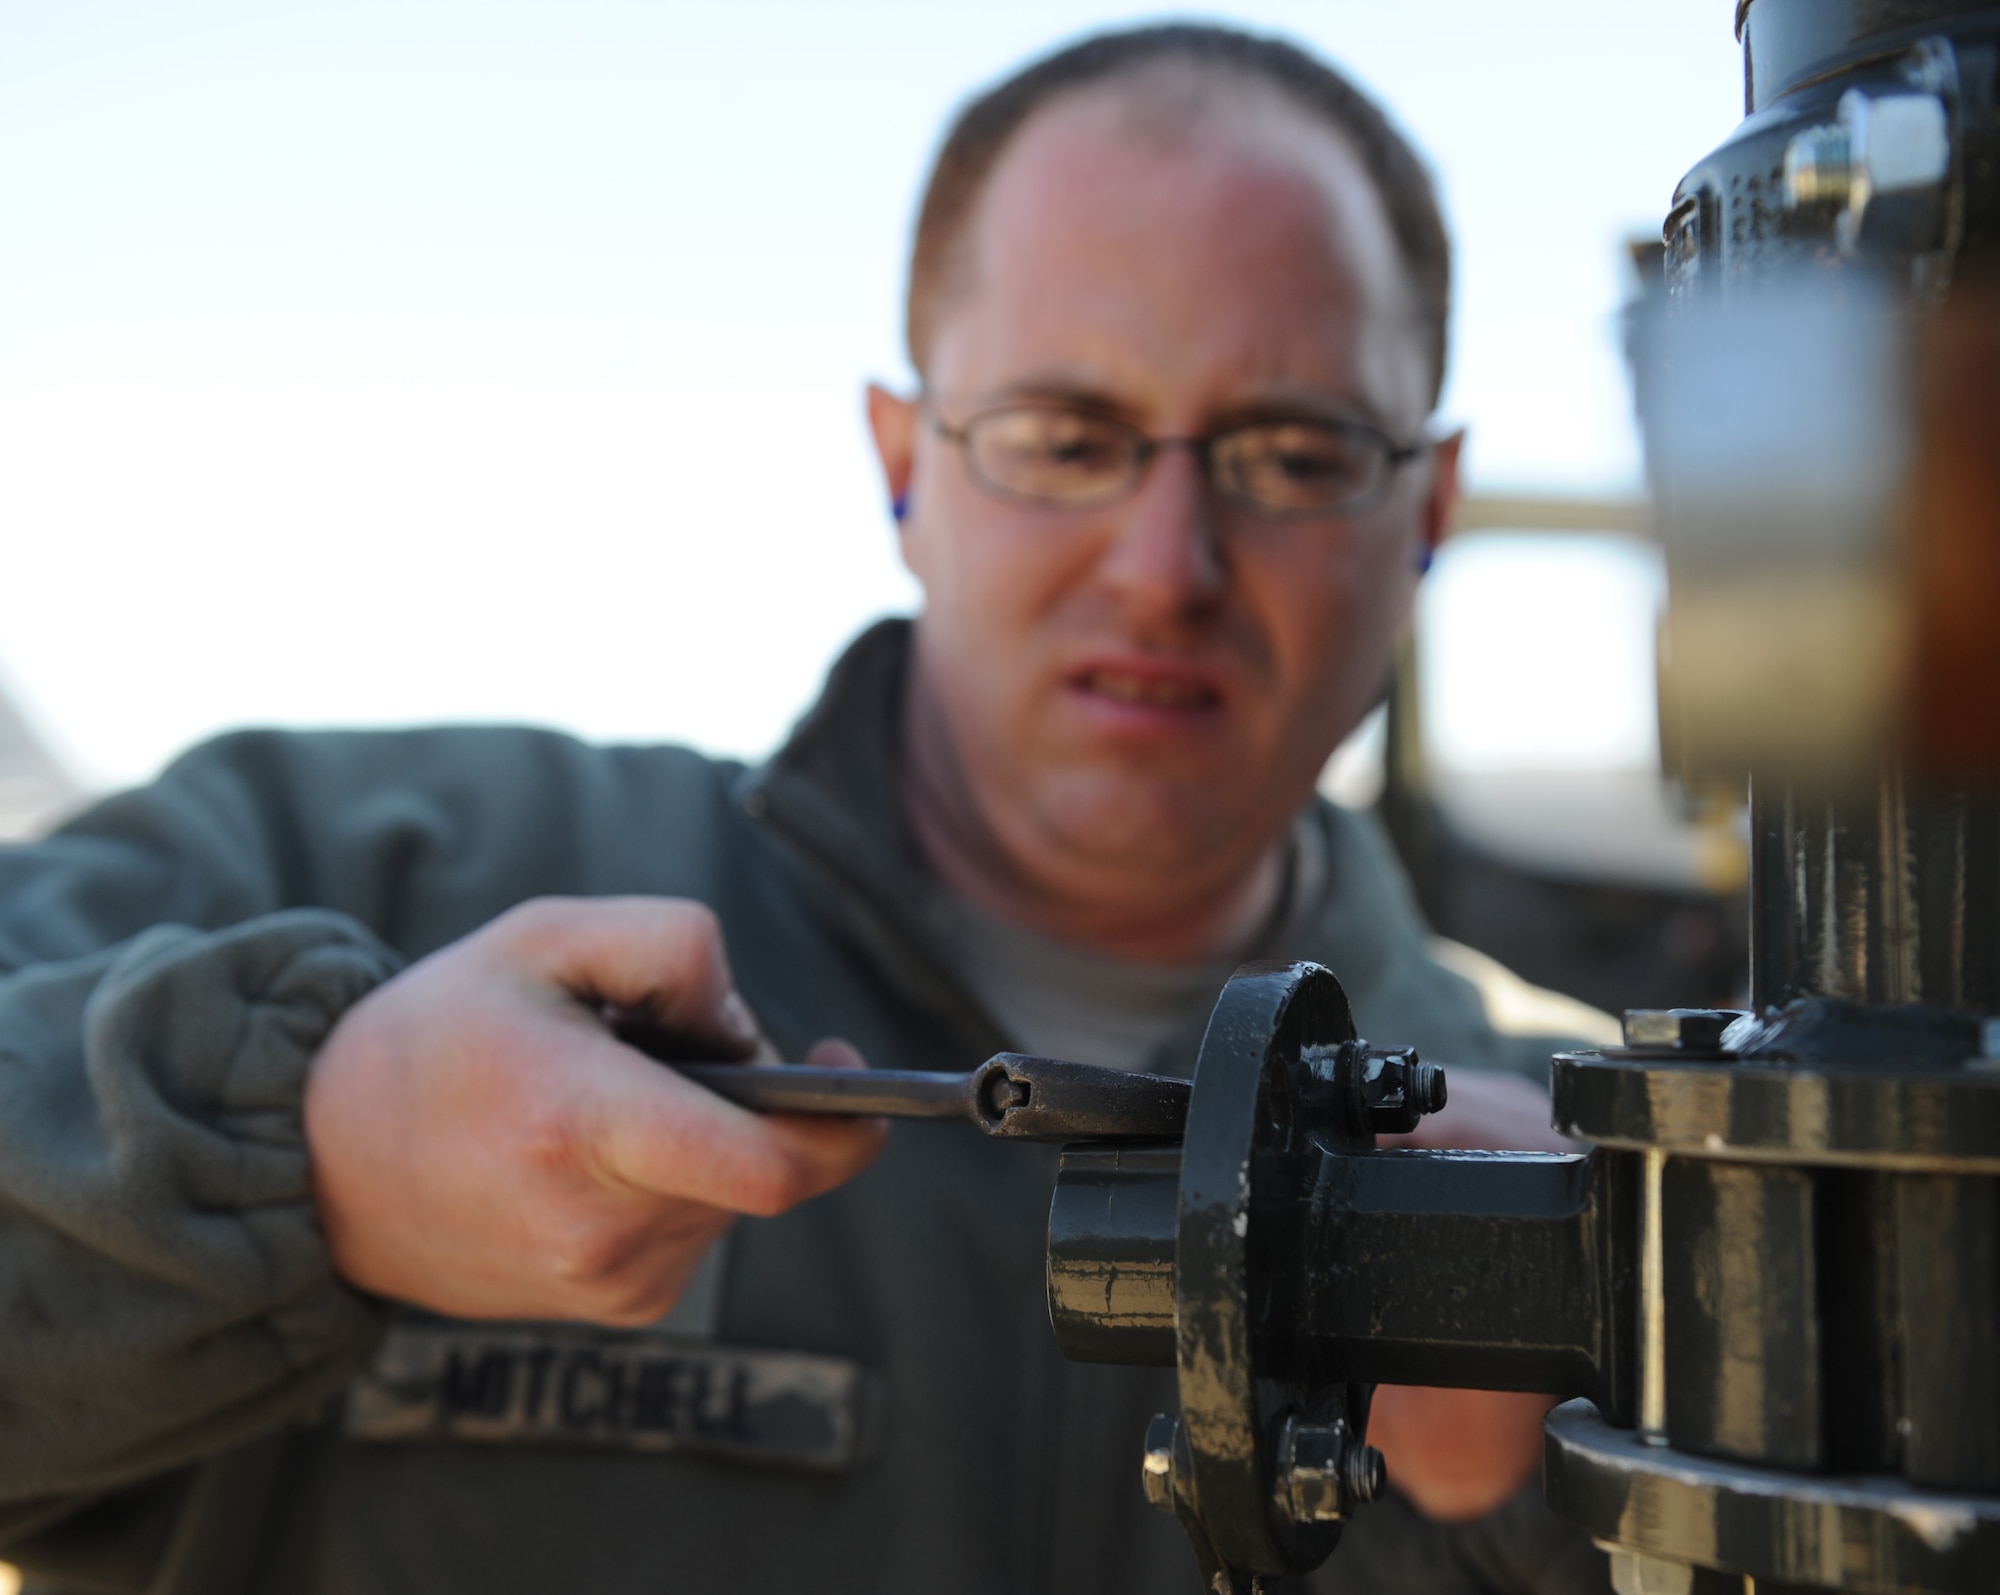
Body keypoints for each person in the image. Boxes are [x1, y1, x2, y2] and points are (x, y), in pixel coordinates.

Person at [0, 23, 1611, 1595]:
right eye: (1064, 438)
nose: (1162, 565)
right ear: (902, 465)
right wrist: (307, 1159)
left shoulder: (1604, 1182)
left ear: (1430, 507)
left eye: (1290, 453)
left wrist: (1558, 1486)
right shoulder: (358, 879)